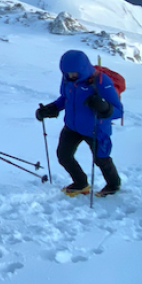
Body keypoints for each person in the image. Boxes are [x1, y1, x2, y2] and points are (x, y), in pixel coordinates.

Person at [35, 50, 124, 196]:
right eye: (67, 73)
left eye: (73, 73)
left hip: (96, 129)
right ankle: (81, 183)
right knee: (63, 156)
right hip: (72, 126)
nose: (70, 77)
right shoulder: (67, 80)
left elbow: (118, 111)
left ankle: (113, 185)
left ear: (83, 69)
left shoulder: (102, 82)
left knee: (101, 160)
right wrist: (51, 108)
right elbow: (65, 98)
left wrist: (103, 107)